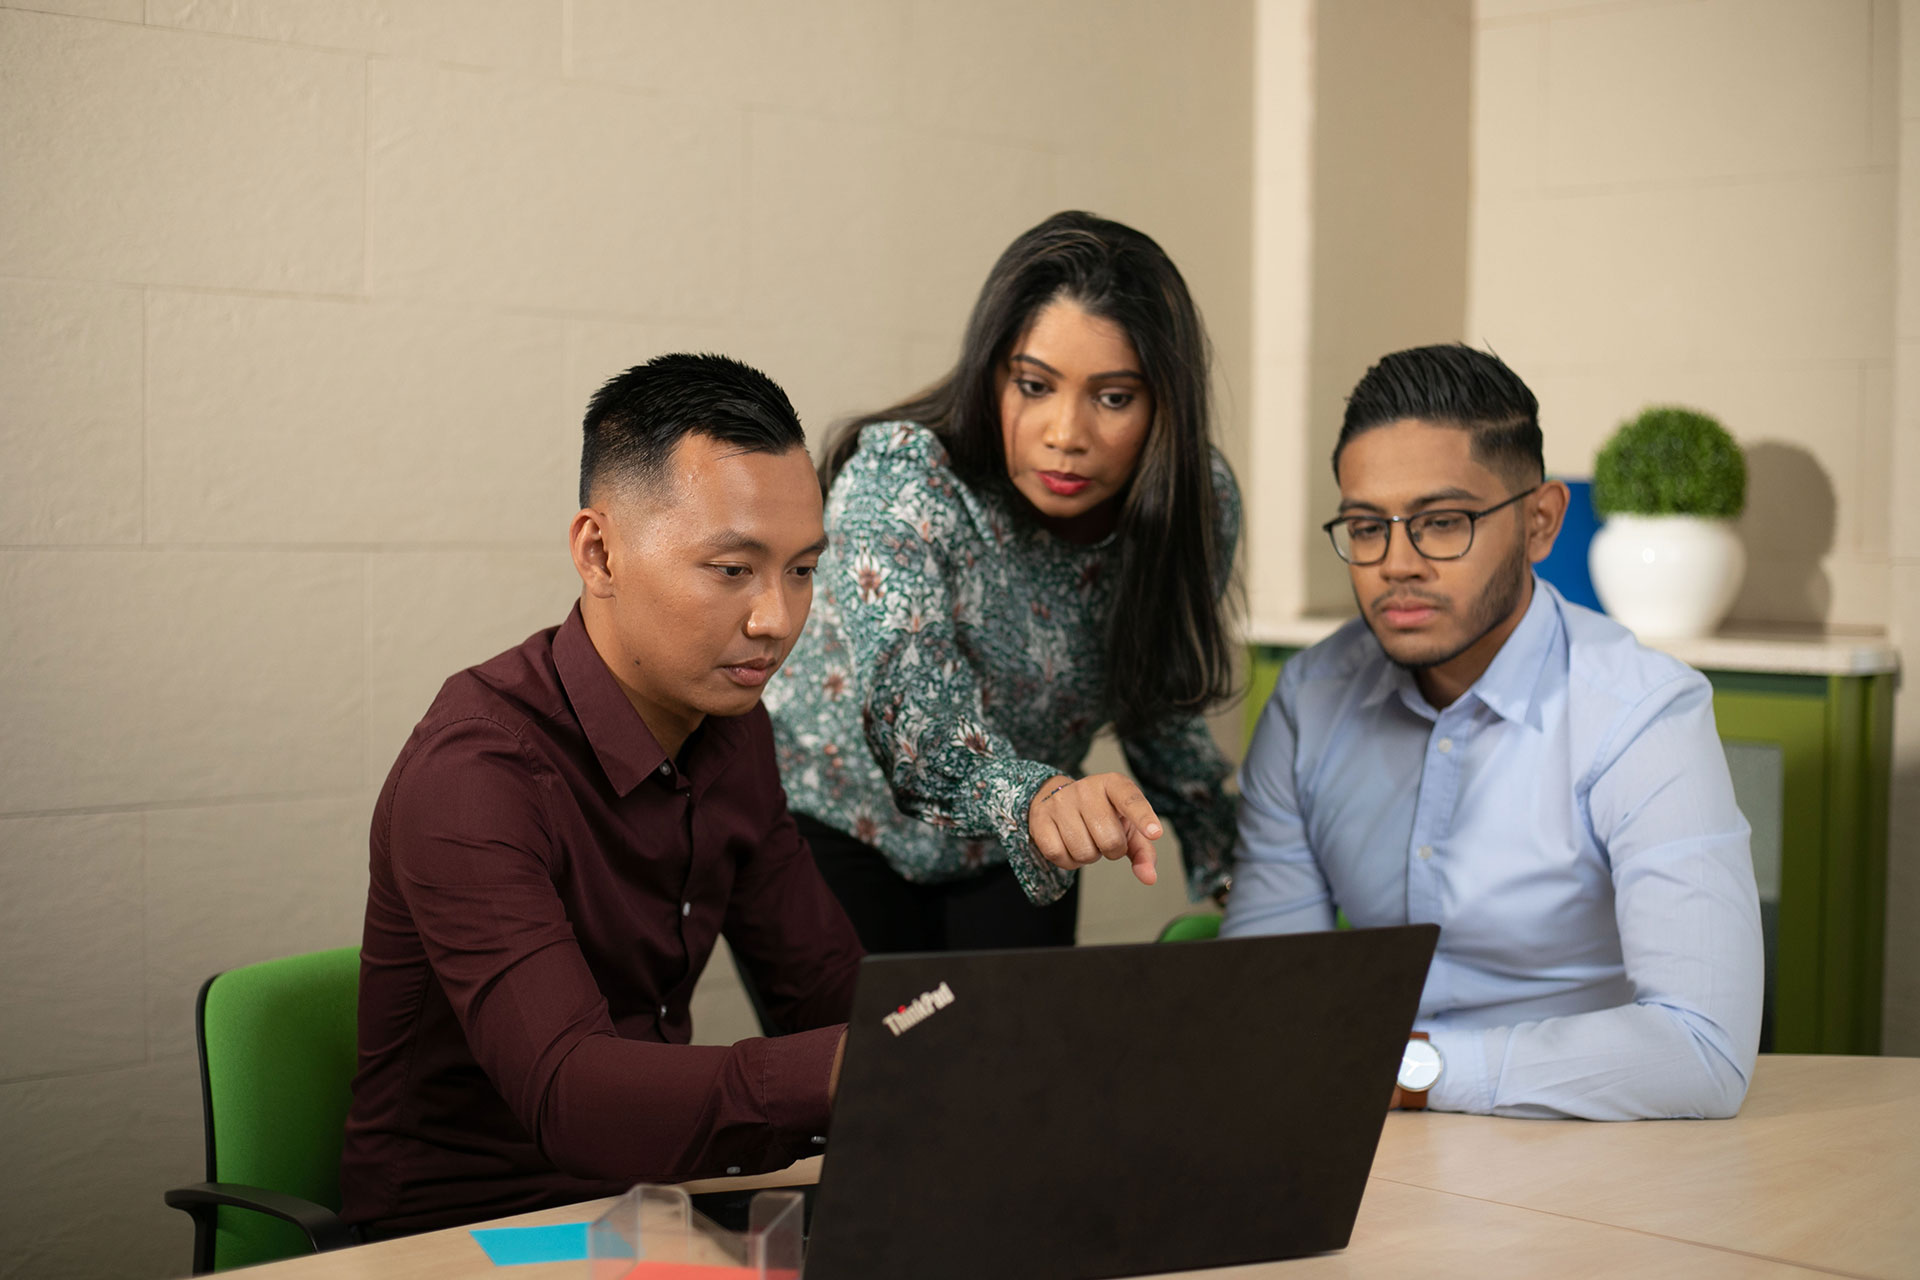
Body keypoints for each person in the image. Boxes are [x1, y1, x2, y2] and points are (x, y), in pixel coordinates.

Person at [340, 354, 864, 1237]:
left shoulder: (734, 729)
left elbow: (824, 984)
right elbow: (571, 1093)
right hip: (467, 1233)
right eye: (732, 569)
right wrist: (846, 1069)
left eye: (803, 570)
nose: (776, 619)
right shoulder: (474, 772)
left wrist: (957, 1035)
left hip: (654, 1204)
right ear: (599, 552)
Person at [1222, 344, 1764, 1121]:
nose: (1397, 564)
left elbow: (1703, 1050)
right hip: (1366, 1142)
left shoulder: (1643, 715)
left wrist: (1416, 1071)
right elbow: (1271, 994)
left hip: (1589, 1149)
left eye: (1443, 523)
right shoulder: (1311, 703)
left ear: (1540, 522)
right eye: (1367, 527)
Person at [765, 211, 1241, 952]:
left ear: (1163, 404)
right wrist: (1039, 799)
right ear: (991, 372)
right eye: (1034, 385)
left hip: (1015, 842)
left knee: (1023, 1035)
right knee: (878, 1035)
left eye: (1114, 397)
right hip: (827, 820)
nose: (1066, 434)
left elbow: (1155, 696)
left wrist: (1237, 867)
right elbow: (916, 718)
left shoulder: (1193, 502)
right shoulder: (901, 481)